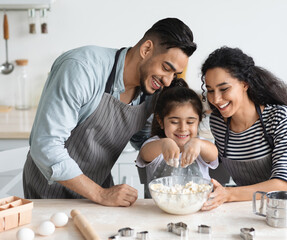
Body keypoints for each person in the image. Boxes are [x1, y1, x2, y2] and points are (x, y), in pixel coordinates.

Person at [22, 18, 197, 207]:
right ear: (146, 49)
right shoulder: (81, 68)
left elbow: (143, 140)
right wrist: (100, 194)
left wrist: (167, 145)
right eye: (166, 68)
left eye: (175, 74)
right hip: (49, 195)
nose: (168, 81)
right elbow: (46, 146)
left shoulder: (151, 91)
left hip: (100, 193)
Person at [200, 47, 287, 211]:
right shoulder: (218, 123)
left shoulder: (280, 117)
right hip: (251, 209)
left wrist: (228, 194)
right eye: (210, 90)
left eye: (224, 89)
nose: (216, 99)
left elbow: (281, 184)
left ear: (244, 84)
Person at [136, 78, 218, 198]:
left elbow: (213, 154)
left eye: (190, 122)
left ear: (199, 121)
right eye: (174, 122)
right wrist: (163, 144)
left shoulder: (199, 145)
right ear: (161, 121)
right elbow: (145, 154)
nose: (183, 128)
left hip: (197, 210)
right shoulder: (156, 144)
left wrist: (199, 144)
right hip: (159, 212)